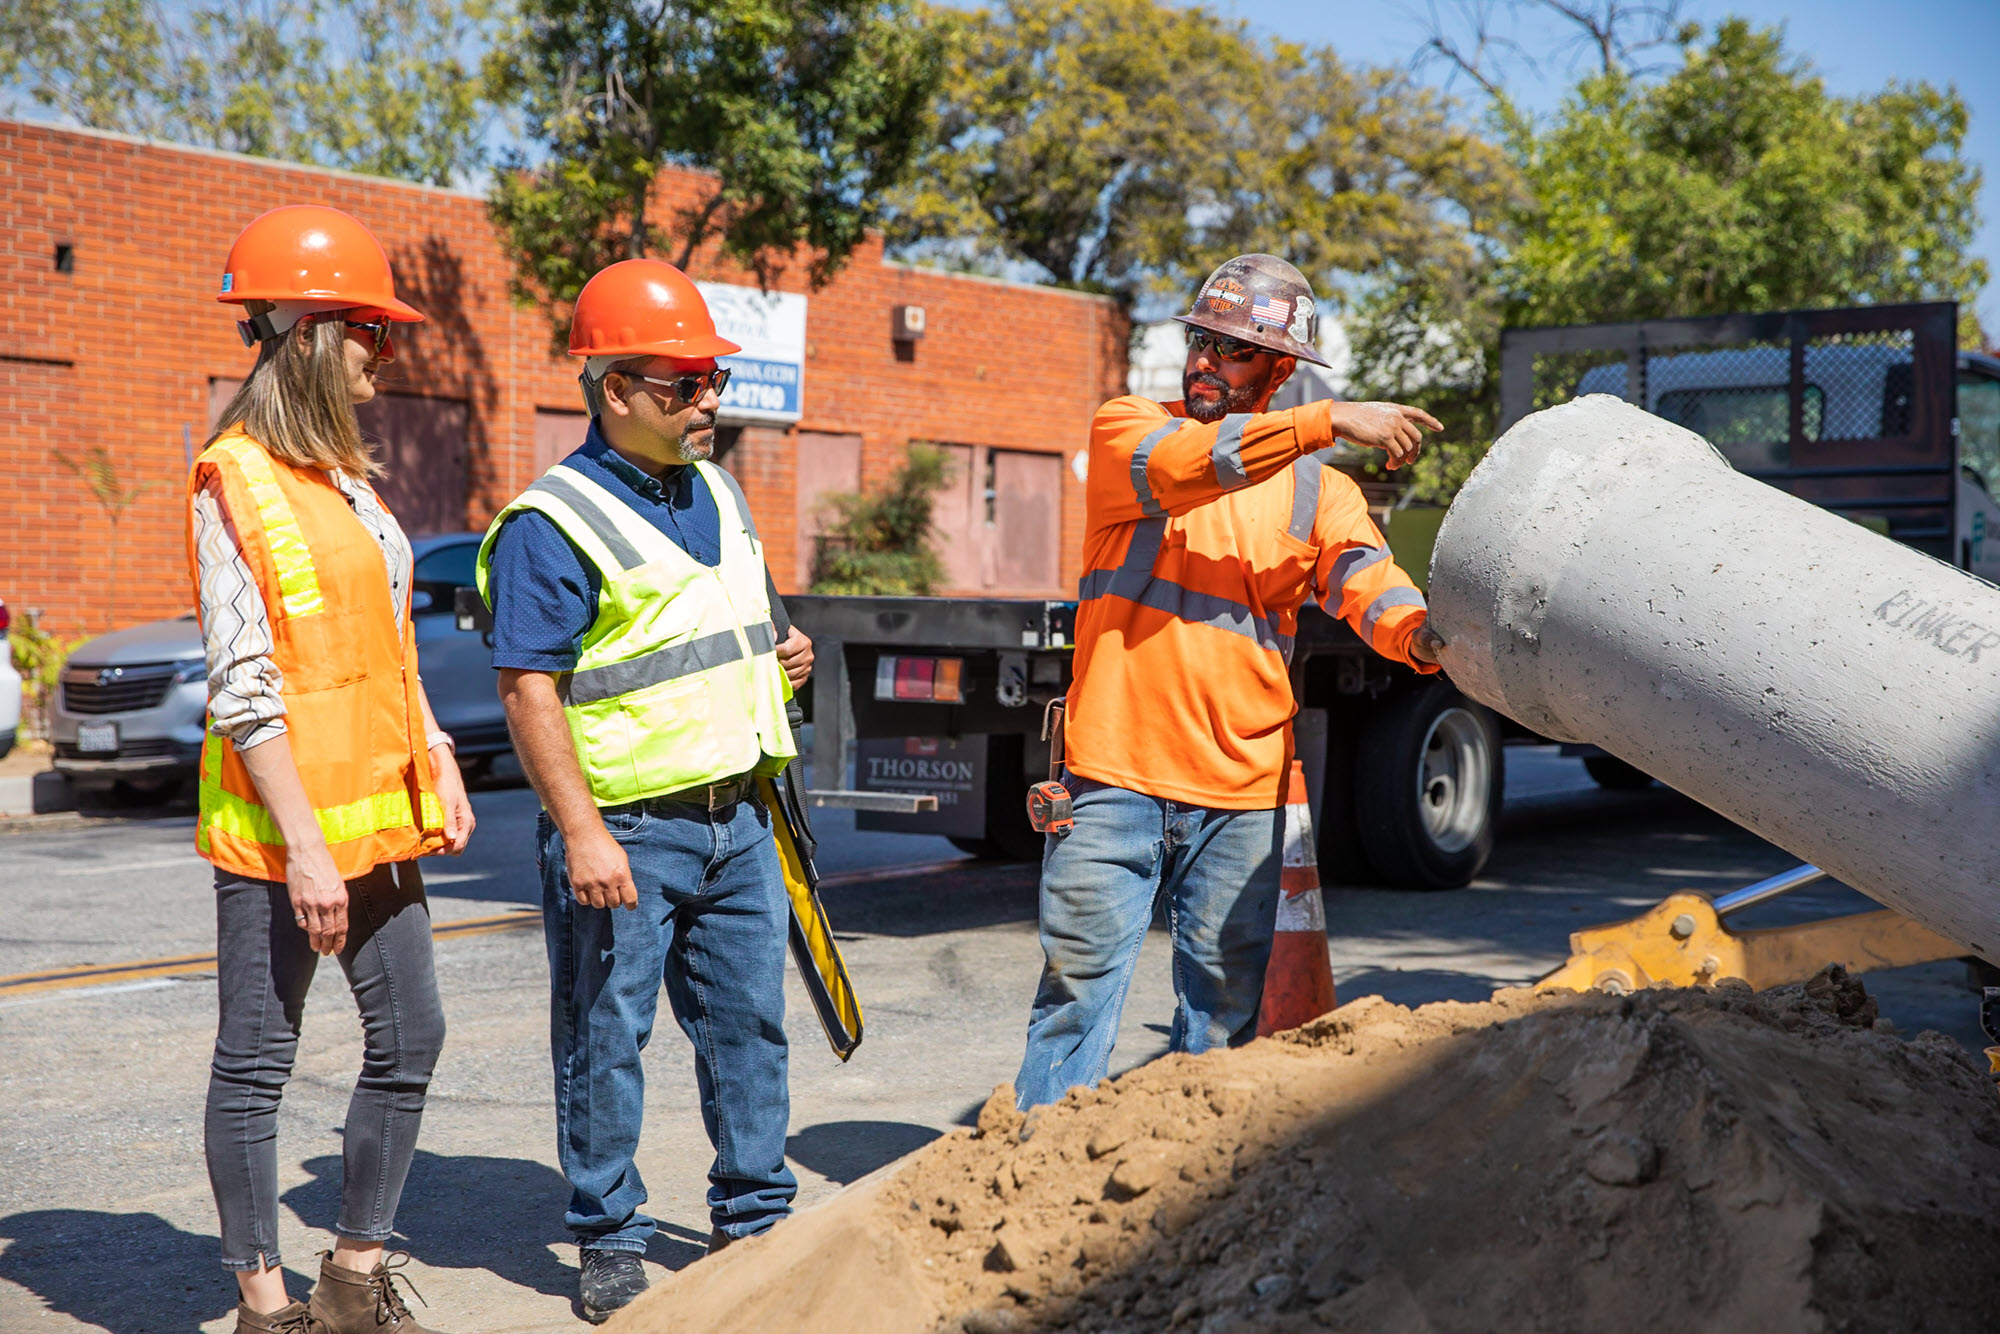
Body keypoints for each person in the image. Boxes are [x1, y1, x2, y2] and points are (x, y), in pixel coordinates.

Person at [1013, 253, 1446, 1110]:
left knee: (1221, 1024)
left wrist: (1426, 637)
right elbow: (1186, 466)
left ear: (1279, 369)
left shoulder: (1319, 492)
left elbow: (1369, 580)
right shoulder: (1129, 432)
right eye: (1200, 340)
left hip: (1242, 800)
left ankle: (1182, 1210)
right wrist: (1327, 420)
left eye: (1233, 350)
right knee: (1076, 1003)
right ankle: (1033, 1194)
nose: (1205, 360)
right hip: (1111, 781)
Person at [476, 258, 815, 1325]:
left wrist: (783, 651)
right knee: (604, 1034)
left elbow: (725, 626)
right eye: (683, 383)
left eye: (712, 378)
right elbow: (529, 688)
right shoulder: (551, 519)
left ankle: (755, 1217)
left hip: (738, 818)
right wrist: (581, 831)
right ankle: (608, 1232)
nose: (707, 399)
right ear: (613, 388)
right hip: (626, 828)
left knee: (749, 1026)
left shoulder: (717, 488)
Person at [191, 204, 476, 1334]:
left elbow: (387, 652)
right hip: (283, 836)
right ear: (308, 332)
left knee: (414, 1035)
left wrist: (441, 756)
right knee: (258, 1060)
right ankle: (267, 1304)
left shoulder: (348, 483)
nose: (385, 353)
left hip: (382, 820)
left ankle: (353, 1275)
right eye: (370, 329)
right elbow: (246, 685)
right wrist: (305, 849)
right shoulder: (234, 480)